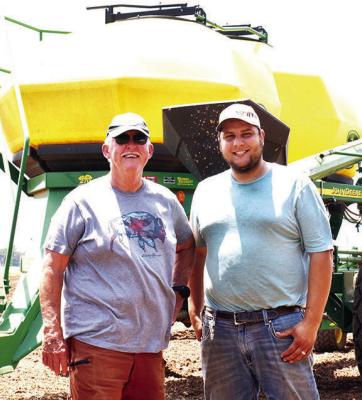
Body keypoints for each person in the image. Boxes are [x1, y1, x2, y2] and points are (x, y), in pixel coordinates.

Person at [40, 112, 194, 400]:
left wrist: (180, 291)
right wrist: (52, 332)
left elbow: (186, 248)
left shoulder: (166, 202)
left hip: (150, 346)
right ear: (106, 149)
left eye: (139, 138)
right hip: (96, 344)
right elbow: (52, 266)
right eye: (122, 138)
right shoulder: (81, 202)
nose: (130, 145)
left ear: (149, 150)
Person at [188, 103, 333, 399]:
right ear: (220, 143)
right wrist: (195, 304)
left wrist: (312, 323)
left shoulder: (294, 185)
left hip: (280, 329)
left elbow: (322, 254)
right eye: (229, 136)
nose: (238, 143)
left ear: (262, 137)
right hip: (220, 331)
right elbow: (198, 252)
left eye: (246, 134)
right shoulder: (206, 190)